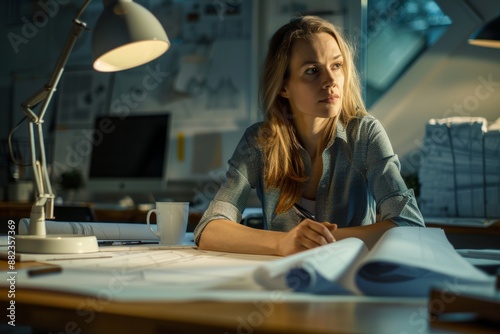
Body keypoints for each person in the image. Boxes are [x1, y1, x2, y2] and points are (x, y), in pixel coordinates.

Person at [194, 15, 425, 256]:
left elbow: (409, 224)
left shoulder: (365, 134)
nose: (331, 81)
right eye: (312, 70)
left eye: (337, 65)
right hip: (282, 282)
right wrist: (283, 243)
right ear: (284, 87)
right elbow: (209, 228)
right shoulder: (258, 141)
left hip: (352, 280)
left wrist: (319, 240)